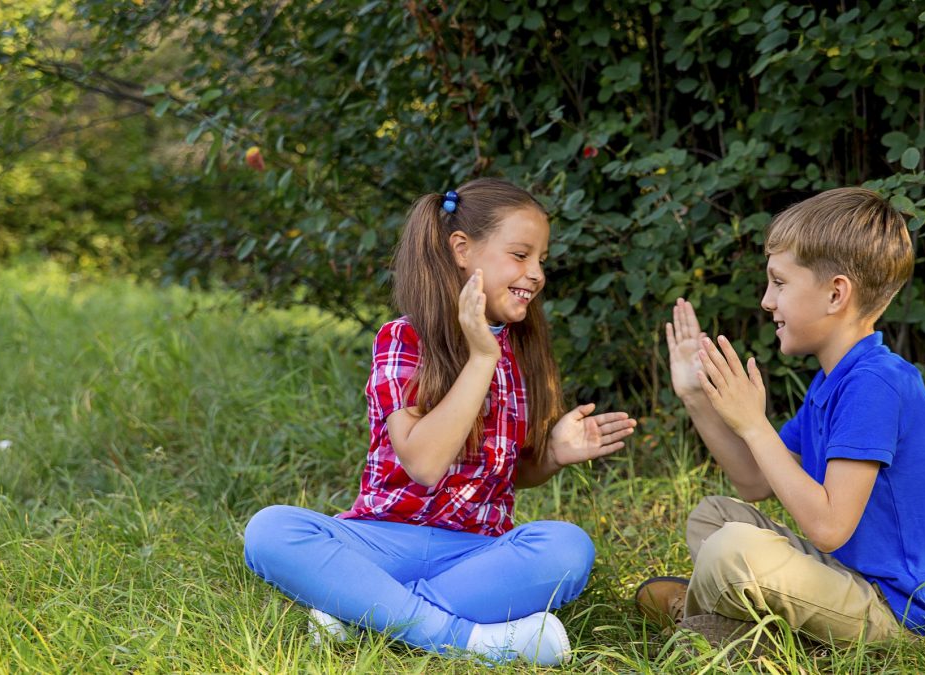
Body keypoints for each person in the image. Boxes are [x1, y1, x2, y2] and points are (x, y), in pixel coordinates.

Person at [245, 178, 637, 665]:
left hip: (477, 554)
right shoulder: (404, 339)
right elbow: (425, 463)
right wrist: (479, 359)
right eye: (520, 255)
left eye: (542, 261)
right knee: (271, 531)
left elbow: (503, 474)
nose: (536, 274)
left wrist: (553, 455)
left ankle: (364, 611)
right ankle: (474, 640)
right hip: (382, 539)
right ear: (461, 249)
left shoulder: (523, 350)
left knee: (568, 548)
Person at [636, 188, 925, 648]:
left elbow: (828, 527)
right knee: (713, 518)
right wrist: (696, 396)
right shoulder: (832, 381)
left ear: (836, 294)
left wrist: (755, 424)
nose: (766, 301)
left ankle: (706, 632)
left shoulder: (874, 384)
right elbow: (754, 482)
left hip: (908, 617)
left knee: (729, 550)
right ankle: (748, 627)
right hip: (850, 578)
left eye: (779, 283)